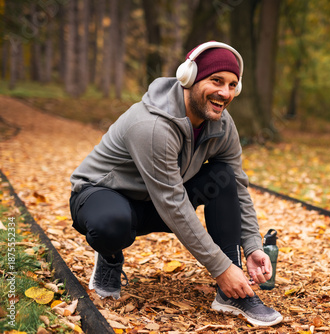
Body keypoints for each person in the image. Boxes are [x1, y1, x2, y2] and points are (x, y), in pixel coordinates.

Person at [69, 41, 283, 327]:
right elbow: (172, 202)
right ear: (189, 78)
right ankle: (109, 258)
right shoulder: (152, 126)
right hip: (103, 196)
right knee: (111, 224)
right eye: (216, 80)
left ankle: (230, 295)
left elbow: (238, 187)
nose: (225, 92)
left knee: (225, 177)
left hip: (159, 201)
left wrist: (252, 246)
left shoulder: (222, 123)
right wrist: (221, 269)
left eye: (232, 85)